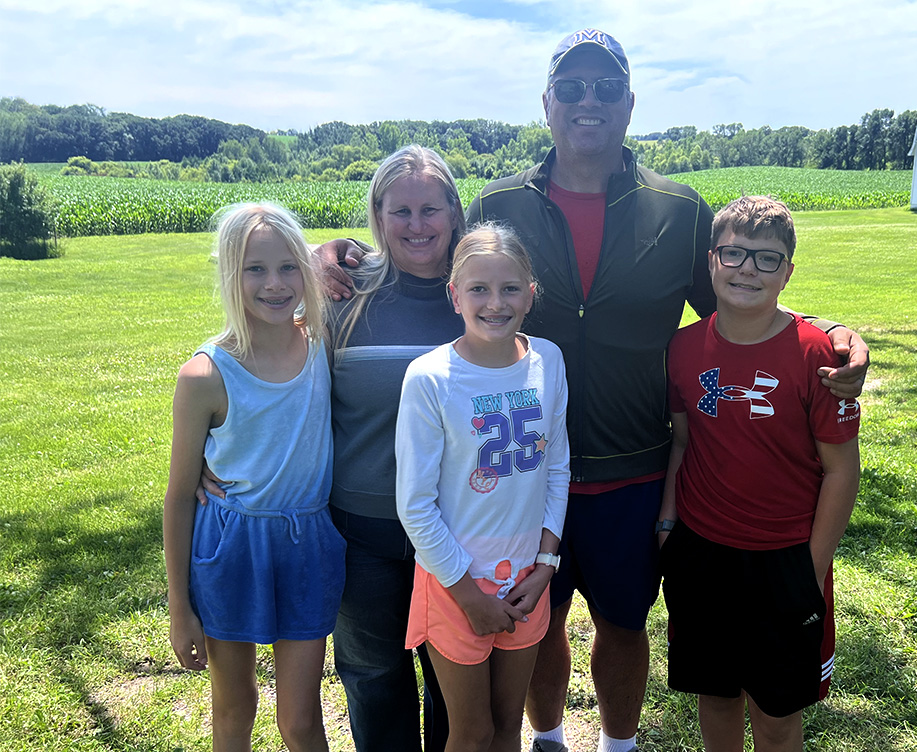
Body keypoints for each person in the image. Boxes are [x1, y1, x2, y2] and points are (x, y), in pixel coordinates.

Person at [321, 30, 869, 752]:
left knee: (623, 622)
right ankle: (546, 737)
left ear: (629, 103)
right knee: (534, 620)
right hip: (513, 477)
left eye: (606, 88)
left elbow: (742, 299)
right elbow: (432, 268)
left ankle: (618, 744)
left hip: (633, 468)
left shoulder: (677, 210)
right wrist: (333, 255)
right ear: (547, 103)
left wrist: (826, 328)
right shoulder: (499, 203)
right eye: (572, 88)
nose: (589, 101)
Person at [201, 145, 464, 752]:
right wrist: (204, 459)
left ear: (454, 211)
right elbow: (261, 361)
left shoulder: (479, 293)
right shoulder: (343, 298)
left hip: (458, 530)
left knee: (455, 685)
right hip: (362, 532)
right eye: (400, 211)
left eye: (430, 208)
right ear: (377, 214)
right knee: (374, 680)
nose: (417, 225)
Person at [658, 196, 861, 751]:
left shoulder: (816, 354)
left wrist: (810, 569)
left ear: (788, 272)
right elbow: (683, 441)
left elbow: (843, 472)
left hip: (787, 557)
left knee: (776, 715)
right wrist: (668, 523)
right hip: (702, 552)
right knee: (717, 697)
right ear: (710, 262)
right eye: (734, 254)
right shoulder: (682, 349)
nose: (748, 268)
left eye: (767, 259)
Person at [164, 202, 346, 752]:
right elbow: (177, 498)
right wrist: (179, 607)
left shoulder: (322, 343)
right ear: (229, 274)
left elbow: (381, 257)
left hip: (308, 542)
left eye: (289, 267)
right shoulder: (204, 374)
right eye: (255, 269)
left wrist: (330, 249)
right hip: (231, 547)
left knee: (300, 720)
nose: (274, 283)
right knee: (234, 709)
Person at [395, 224, 570, 752]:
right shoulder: (430, 378)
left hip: (526, 578)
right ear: (454, 295)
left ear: (531, 294)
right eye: (478, 289)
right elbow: (416, 506)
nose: (495, 303)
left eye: (510, 288)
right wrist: (468, 594)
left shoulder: (549, 360)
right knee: (470, 734)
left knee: (507, 725)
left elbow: (556, 467)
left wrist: (546, 566)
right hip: (455, 582)